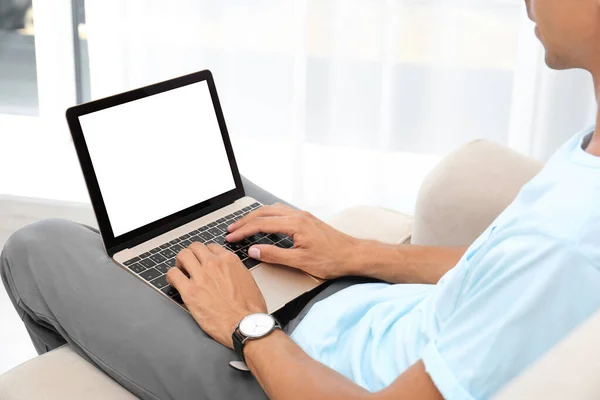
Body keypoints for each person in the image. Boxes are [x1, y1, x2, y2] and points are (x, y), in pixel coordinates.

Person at [2, 0, 600, 398]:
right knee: (225, 207)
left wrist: (248, 324)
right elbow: (501, 269)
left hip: (291, 377)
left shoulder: (570, 239)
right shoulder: (588, 162)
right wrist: (354, 253)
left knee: (38, 245)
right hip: (358, 320)